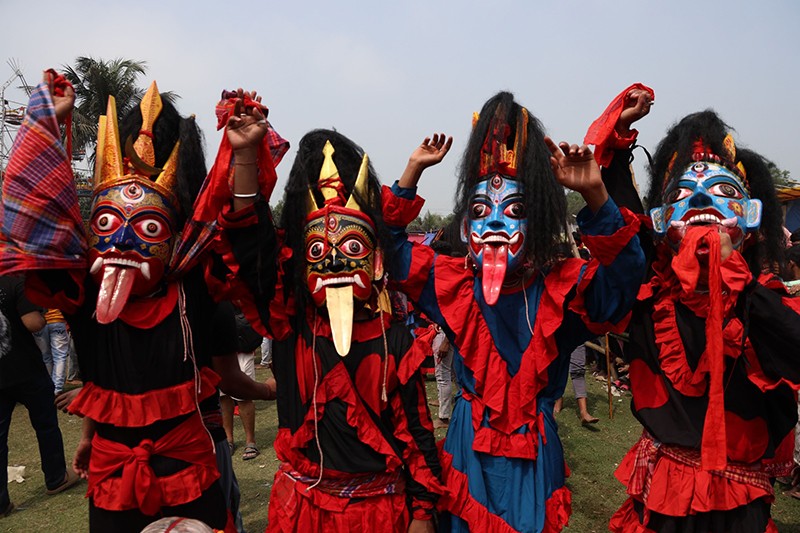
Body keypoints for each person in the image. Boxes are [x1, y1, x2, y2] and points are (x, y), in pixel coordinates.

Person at [0, 72, 279, 532]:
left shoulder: (195, 281)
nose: (125, 243)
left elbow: (246, 241)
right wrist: (49, 125)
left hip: (190, 468)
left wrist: (245, 155)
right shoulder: (80, 289)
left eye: (149, 229)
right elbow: (39, 220)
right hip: (113, 475)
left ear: (175, 238)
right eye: (108, 223)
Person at [384, 91, 646, 532]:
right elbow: (390, 250)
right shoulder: (452, 285)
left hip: (533, 456)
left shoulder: (565, 286)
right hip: (468, 448)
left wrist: (596, 194)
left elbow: (625, 282)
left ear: (538, 222)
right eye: (482, 211)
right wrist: (412, 172)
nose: (498, 225)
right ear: (466, 227)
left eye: (516, 211)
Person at [590, 86, 800, 533]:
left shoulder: (770, 302)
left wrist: (733, 277)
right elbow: (620, 218)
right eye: (686, 193)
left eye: (722, 191)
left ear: (751, 215)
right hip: (661, 489)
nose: (702, 202)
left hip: (737, 504)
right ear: (664, 219)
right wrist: (621, 130)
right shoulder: (650, 291)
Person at [233, 128, 444, 532]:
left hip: (378, 513)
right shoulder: (289, 327)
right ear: (300, 263)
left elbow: (418, 435)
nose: (332, 264)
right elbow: (247, 242)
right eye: (318, 253)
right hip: (303, 510)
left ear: (376, 262)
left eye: (350, 249)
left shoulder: (396, 340)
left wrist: (422, 514)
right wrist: (244, 156)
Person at [0, 275, 81, 518]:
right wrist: (44, 315)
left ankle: (1, 503)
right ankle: (56, 478)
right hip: (25, 370)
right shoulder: (13, 281)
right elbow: (33, 323)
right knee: (46, 425)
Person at [220, 310, 262, 460]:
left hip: (241, 339)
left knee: (244, 395)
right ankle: (228, 439)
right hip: (218, 345)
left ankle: (250, 441)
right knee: (223, 396)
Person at [32, 308, 70, 394]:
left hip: (40, 321)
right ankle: (57, 388)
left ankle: (48, 386)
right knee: (60, 357)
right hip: (57, 320)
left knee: (45, 357)